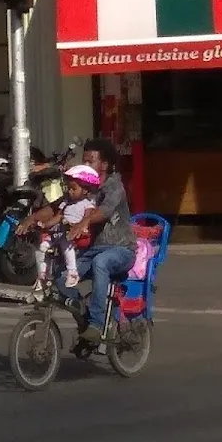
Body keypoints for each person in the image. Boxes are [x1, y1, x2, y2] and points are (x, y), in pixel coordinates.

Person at [61, 138, 136, 344]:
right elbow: (59, 205)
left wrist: (84, 221)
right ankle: (84, 316)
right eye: (83, 160)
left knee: (100, 262)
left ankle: (96, 323)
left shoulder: (115, 186)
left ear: (104, 164)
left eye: (90, 161)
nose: (85, 165)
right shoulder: (83, 186)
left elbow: (105, 210)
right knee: (61, 277)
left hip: (121, 250)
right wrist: (32, 220)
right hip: (93, 250)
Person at [19, 164, 102, 299]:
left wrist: (75, 226)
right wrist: (44, 224)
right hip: (59, 232)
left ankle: (72, 272)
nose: (70, 191)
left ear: (85, 191)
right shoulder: (66, 202)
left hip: (71, 235)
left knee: (67, 248)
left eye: (73, 189)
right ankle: (42, 275)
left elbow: (86, 220)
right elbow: (58, 217)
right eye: (68, 188)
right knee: (42, 247)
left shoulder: (88, 204)